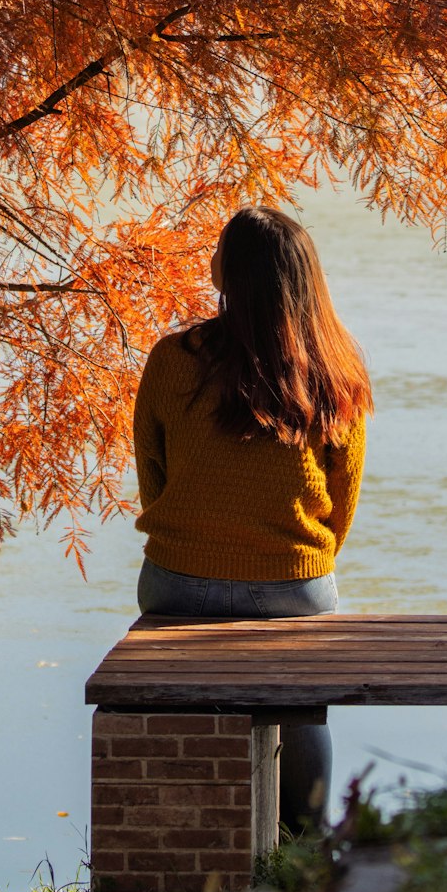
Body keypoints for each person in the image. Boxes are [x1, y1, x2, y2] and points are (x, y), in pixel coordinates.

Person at [133, 205, 372, 836]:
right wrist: (292, 561)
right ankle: (308, 841)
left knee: (186, 705)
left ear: (223, 272)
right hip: (293, 585)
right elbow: (341, 503)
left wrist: (196, 541)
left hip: (180, 580)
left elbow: (153, 478)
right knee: (302, 711)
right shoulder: (334, 366)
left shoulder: (171, 359)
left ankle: (201, 838)